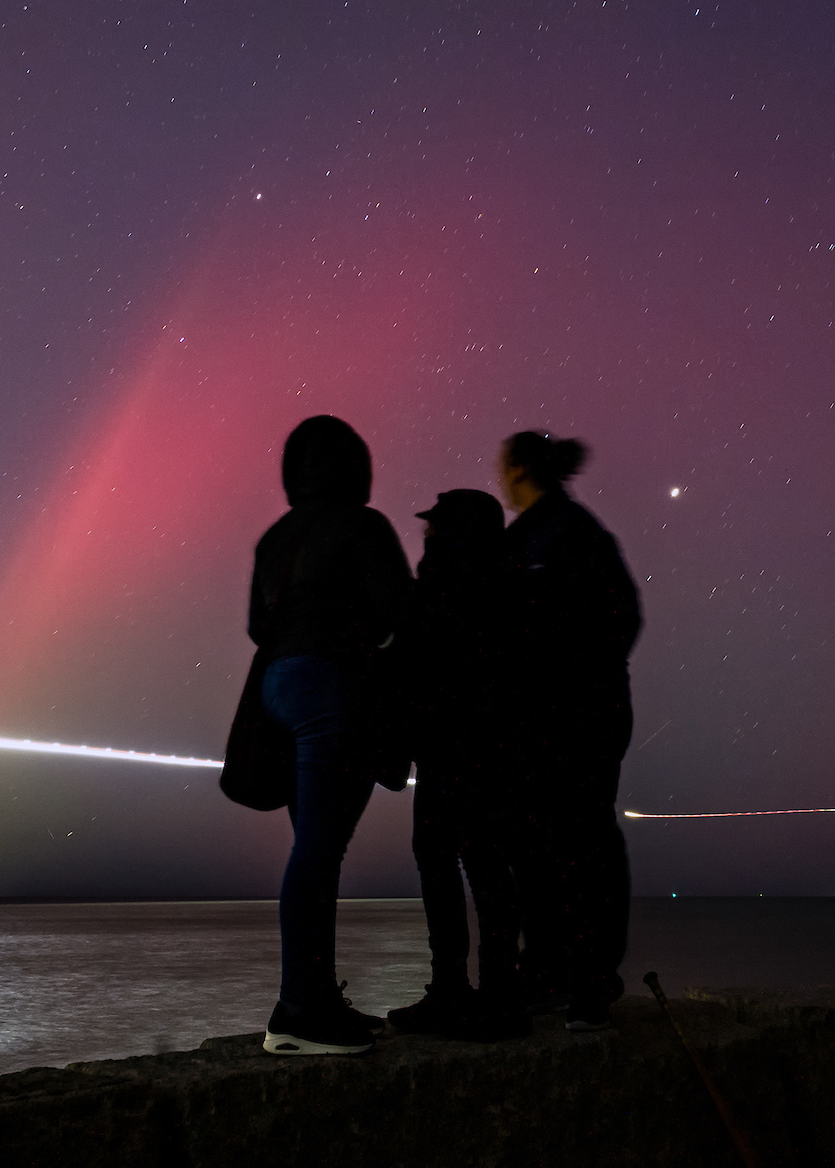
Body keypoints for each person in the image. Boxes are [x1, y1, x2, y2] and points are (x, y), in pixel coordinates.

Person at [237, 415, 412, 1056]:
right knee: (318, 850)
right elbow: (401, 612)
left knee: (317, 847)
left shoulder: (273, 537)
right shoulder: (364, 526)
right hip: (331, 687)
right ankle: (299, 1011)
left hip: (277, 686)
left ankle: (313, 996)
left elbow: (259, 625)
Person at [498, 429, 642, 1031]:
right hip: (566, 712)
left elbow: (616, 617)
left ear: (521, 471)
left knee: (573, 842)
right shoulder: (561, 533)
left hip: (572, 714)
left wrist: (569, 678)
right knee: (552, 842)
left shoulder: (554, 535)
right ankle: (563, 971)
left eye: (502, 469)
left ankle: (582, 977)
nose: (498, 480)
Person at [384, 488, 531, 1041]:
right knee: (476, 862)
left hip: (455, 741)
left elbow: (422, 654)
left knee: (457, 861)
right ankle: (490, 990)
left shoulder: (449, 579)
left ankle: (468, 991)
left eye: (435, 525)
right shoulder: (507, 579)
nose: (425, 532)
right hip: (481, 742)